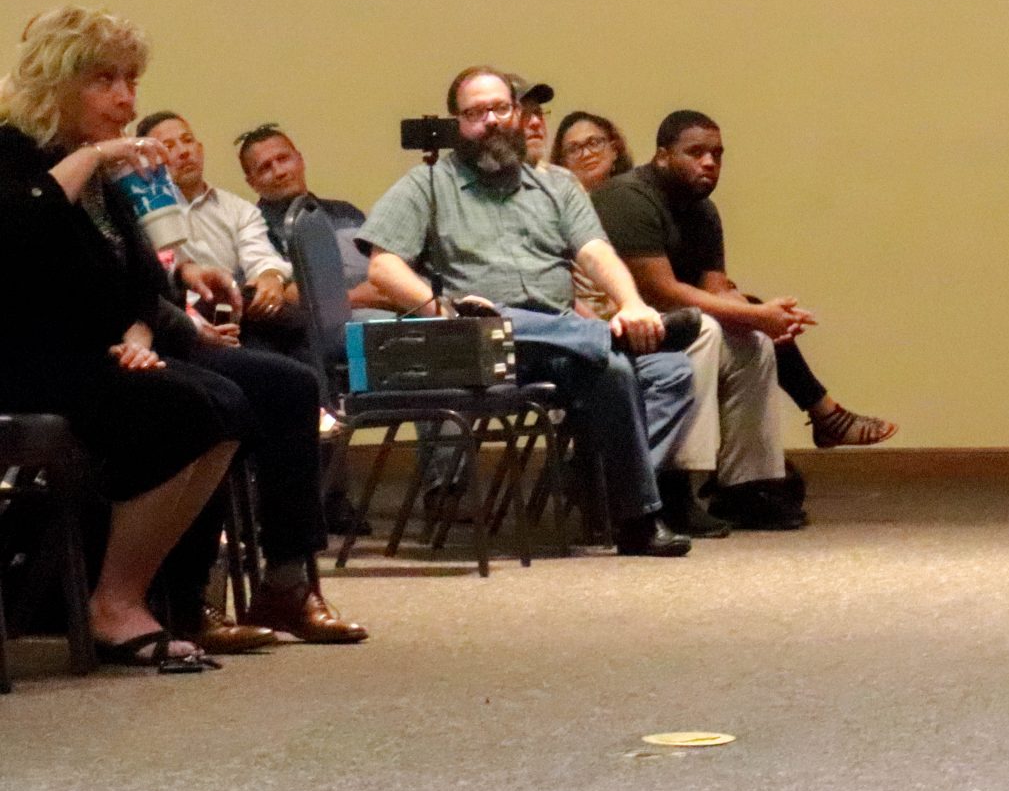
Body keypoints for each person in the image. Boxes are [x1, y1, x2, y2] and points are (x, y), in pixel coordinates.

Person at [357, 66, 697, 556]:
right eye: (475, 113)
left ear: (517, 114)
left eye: (499, 108)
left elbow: (596, 253)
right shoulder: (428, 183)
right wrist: (443, 310)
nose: (490, 121)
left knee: (615, 370)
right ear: (457, 123)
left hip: (551, 345)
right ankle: (602, 338)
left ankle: (635, 521)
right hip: (474, 342)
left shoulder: (557, 186)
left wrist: (633, 304)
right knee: (492, 318)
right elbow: (383, 269)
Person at [1, 7, 244, 672]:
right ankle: (113, 604)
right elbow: (20, 235)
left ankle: (122, 595)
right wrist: (95, 155)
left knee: (223, 405)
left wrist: (140, 333)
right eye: (104, 80)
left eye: (130, 80)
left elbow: (142, 282)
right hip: (21, 358)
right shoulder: (13, 152)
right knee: (182, 412)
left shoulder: (107, 176)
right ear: (56, 81)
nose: (125, 99)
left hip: (88, 353)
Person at [592, 110, 896, 528]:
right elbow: (661, 290)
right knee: (708, 329)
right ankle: (676, 486)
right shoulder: (628, 197)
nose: (709, 163)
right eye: (695, 153)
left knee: (751, 338)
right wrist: (752, 312)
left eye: (717, 154)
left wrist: (761, 315)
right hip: (625, 323)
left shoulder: (703, 211)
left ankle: (747, 487)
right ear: (662, 156)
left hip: (677, 319)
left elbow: (714, 287)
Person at [137, 109, 302, 352]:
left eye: (188, 141)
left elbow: (260, 258)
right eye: (169, 146)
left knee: (299, 333)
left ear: (200, 149)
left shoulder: (238, 209)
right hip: (181, 322)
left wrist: (271, 277)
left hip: (236, 314)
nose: (184, 152)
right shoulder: (146, 213)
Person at [237, 122, 393, 313]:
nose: (279, 172)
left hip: (390, 310)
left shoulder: (346, 213)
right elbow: (275, 294)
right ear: (251, 182)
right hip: (324, 332)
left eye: (283, 159)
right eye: (265, 168)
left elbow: (384, 268)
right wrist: (353, 299)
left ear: (300, 159)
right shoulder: (253, 231)